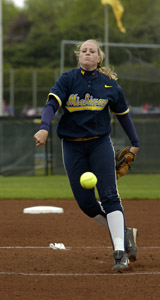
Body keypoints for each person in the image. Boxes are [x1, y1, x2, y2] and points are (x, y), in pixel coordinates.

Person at [33, 39, 139, 271]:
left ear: (99, 58)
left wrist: (135, 142)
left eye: (93, 51)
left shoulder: (110, 85)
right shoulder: (68, 79)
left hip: (100, 144)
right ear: (79, 56)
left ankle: (119, 251)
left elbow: (123, 115)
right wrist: (44, 126)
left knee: (110, 196)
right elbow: (52, 104)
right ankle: (124, 232)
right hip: (72, 146)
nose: (88, 53)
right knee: (86, 203)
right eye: (84, 50)